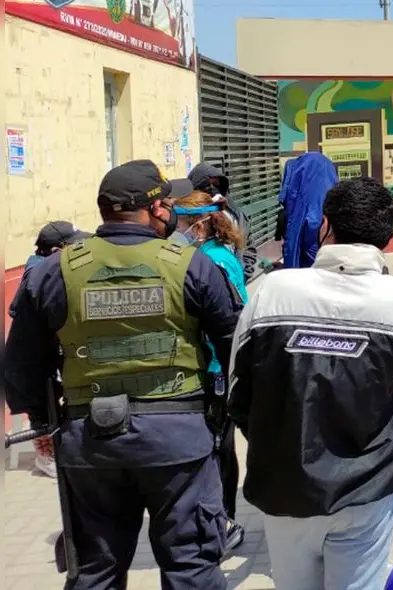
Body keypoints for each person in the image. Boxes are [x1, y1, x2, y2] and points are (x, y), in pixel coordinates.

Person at [5, 160, 242, 589]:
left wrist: (42, 421)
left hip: (90, 444)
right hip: (179, 443)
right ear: (156, 209)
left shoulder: (55, 270)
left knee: (95, 572)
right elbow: (235, 346)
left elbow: (21, 363)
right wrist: (232, 412)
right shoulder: (191, 264)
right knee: (191, 567)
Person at [229, 178, 393, 588]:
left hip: (283, 486)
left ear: (325, 224)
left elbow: (239, 389)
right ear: (388, 235)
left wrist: (277, 445)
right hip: (368, 487)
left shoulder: (271, 291)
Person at [171, 190, 249, 553]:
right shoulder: (218, 254)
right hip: (220, 366)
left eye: (182, 225)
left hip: (216, 368)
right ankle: (222, 519)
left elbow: (225, 320)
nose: (179, 231)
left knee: (217, 450)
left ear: (199, 226)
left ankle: (222, 522)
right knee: (222, 449)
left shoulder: (209, 261)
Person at [10, 221, 91, 479]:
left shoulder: (46, 267)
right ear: (57, 250)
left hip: (49, 354)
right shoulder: (38, 274)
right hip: (35, 361)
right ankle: (46, 454)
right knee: (44, 404)